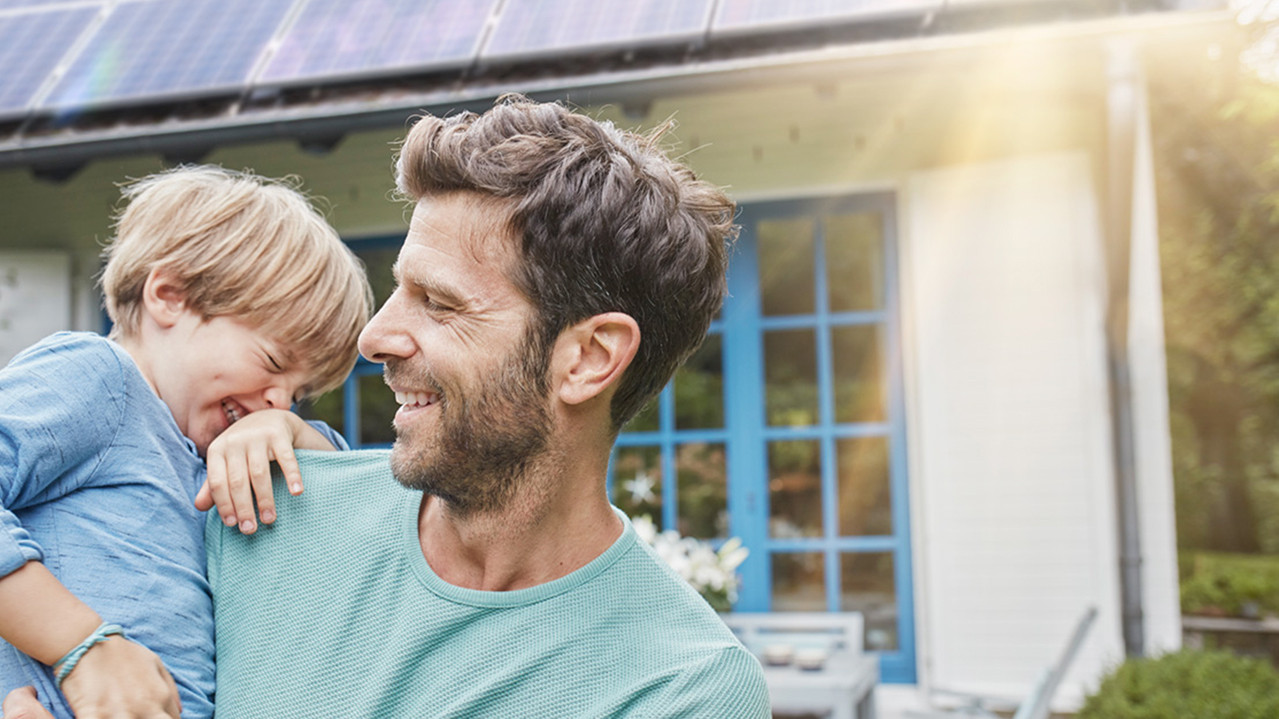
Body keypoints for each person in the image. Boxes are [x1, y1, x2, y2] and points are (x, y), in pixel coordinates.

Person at [0, 166, 372, 719]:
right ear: (169, 296)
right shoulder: (101, 379)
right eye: (272, 363)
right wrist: (82, 646)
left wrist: (296, 434)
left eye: (300, 394)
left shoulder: (207, 460)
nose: (280, 401)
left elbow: (360, 498)